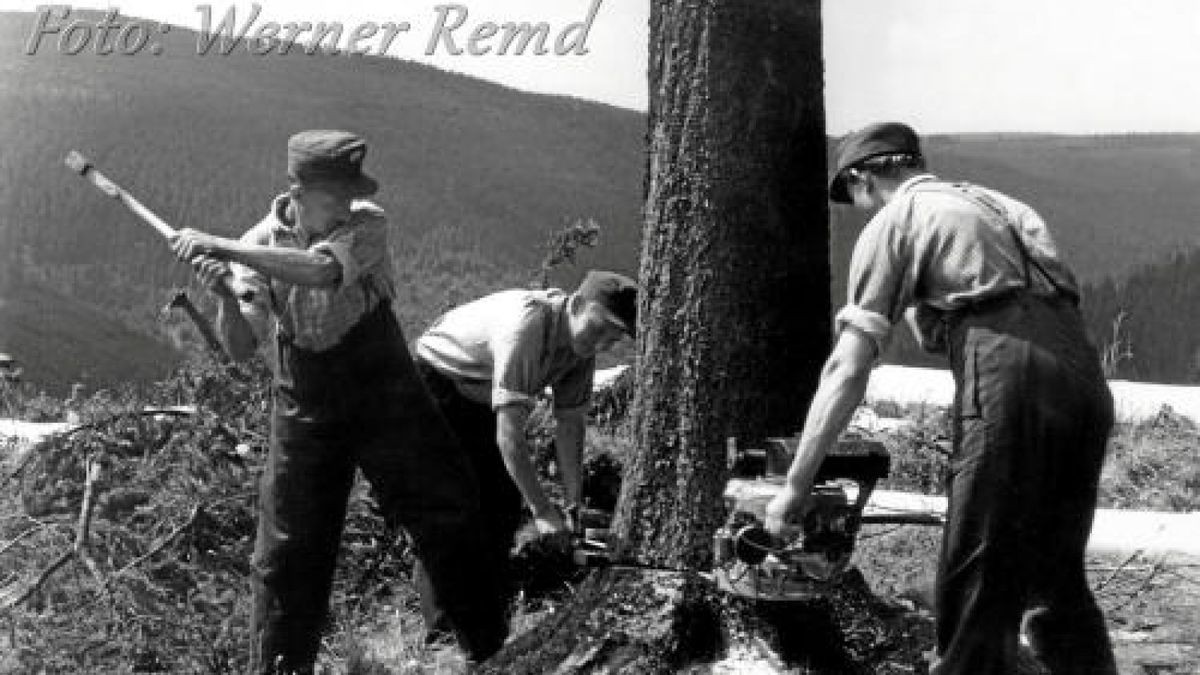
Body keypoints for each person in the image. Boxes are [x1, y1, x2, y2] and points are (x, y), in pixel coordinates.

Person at [764, 122, 1117, 675]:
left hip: (1008, 369)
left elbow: (846, 367)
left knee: (976, 578)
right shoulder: (998, 204)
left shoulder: (897, 218)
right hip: (1082, 376)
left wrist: (795, 486)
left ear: (863, 177)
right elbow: (995, 305)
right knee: (1055, 583)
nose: (859, 209)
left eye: (854, 196)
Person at [170, 130, 506, 672]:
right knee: (286, 549)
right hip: (307, 404)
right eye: (335, 196)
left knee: (445, 508)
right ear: (297, 191)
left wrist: (220, 246)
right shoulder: (258, 245)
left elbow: (324, 272)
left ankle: (489, 650)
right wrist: (224, 295)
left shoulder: (367, 223)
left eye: (351, 193)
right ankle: (281, 667)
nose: (346, 204)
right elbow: (237, 346)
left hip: (386, 392)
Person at [411, 270, 636, 639]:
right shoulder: (528, 328)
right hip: (439, 382)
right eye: (602, 327)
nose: (604, 342)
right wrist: (545, 511)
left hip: (481, 396)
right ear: (577, 305)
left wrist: (573, 505)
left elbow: (570, 428)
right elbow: (510, 438)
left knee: (501, 504)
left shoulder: (581, 350)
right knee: (447, 507)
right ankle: (440, 635)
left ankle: (488, 627)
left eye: (615, 337)